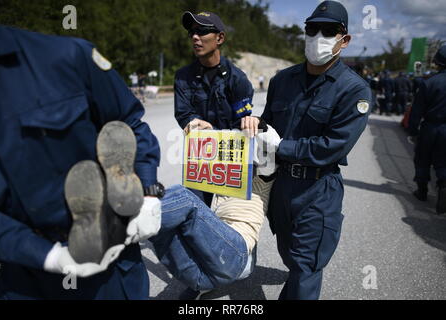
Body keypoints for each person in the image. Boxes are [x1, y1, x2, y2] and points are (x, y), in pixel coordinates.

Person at [0, 25, 162, 299]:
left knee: (117, 133)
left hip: (111, 249)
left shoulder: (64, 56)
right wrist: (48, 256)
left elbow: (128, 121)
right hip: (25, 269)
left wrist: (149, 191)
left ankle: (123, 196)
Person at [246, 1, 372, 299]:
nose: (318, 37)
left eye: (329, 31)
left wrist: (282, 146)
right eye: (312, 29)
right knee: (291, 257)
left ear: (345, 39)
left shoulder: (354, 90)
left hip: (317, 190)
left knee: (306, 266)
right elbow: (268, 127)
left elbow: (334, 146)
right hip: (280, 186)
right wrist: (254, 125)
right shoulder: (282, 80)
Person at [149, 125, 280, 299]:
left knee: (184, 197)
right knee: (162, 229)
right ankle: (136, 220)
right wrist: (204, 130)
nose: (234, 154)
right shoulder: (222, 179)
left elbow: (271, 143)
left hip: (236, 256)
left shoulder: (263, 177)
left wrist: (259, 123)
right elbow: (209, 148)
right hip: (205, 272)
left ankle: (127, 221)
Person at [174, 11, 255, 206]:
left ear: (219, 38)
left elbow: (241, 125)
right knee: (194, 216)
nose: (195, 37)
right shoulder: (183, 76)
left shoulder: (238, 79)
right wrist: (194, 123)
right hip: (200, 161)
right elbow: (183, 113)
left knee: (227, 225)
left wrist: (214, 133)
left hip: (230, 161)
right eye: (192, 32)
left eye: (201, 31)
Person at [408, 45, 446, 214]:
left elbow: (416, 111)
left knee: (423, 159)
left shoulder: (428, 83)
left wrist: (413, 131)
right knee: (443, 162)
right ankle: (443, 188)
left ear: (437, 62)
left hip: (430, 127)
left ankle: (422, 191)